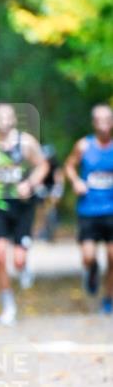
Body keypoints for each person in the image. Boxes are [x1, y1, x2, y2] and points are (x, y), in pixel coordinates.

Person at [0, 104, 49, 325]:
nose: (4, 121)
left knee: (18, 259)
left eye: (8, 117)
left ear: (14, 119)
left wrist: (30, 184)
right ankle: (8, 305)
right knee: (1, 256)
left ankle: (23, 266)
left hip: (23, 205)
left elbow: (43, 166)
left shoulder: (27, 142)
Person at [64, 103, 113, 315]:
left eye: (107, 120)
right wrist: (76, 181)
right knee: (88, 256)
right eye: (99, 120)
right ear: (94, 123)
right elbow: (68, 165)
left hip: (111, 209)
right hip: (88, 210)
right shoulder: (84, 146)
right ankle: (92, 270)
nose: (103, 124)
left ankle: (108, 298)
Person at [35, 144, 64, 242]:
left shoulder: (55, 166)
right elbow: (37, 178)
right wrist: (39, 187)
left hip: (52, 188)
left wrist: (57, 192)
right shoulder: (38, 165)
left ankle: (52, 231)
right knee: (39, 209)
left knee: (52, 209)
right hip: (42, 187)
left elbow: (59, 180)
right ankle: (38, 231)